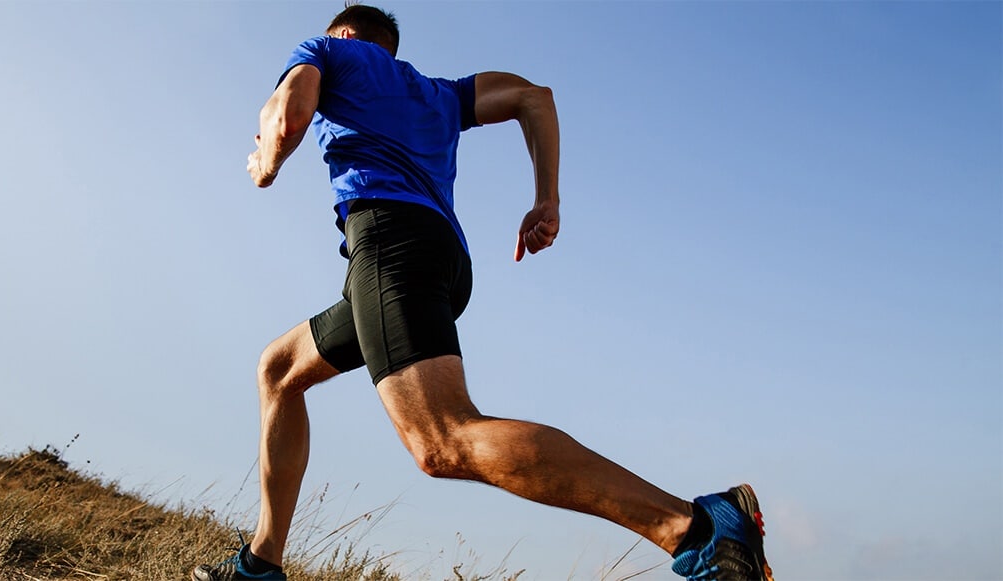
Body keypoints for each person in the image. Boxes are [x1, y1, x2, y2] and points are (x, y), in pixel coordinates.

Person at [193, 4, 773, 580]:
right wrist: (548, 199)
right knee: (279, 370)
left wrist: (266, 161)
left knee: (440, 439)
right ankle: (261, 563)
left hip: (391, 245)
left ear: (345, 35)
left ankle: (694, 528)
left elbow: (287, 116)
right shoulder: (439, 94)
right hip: (441, 259)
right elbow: (533, 97)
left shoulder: (328, 51)